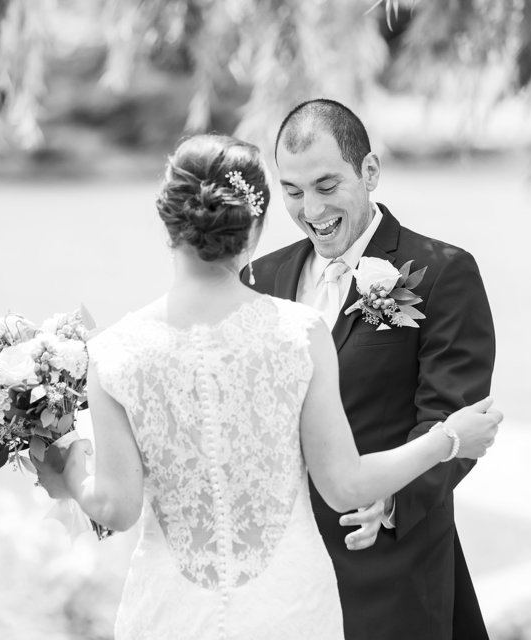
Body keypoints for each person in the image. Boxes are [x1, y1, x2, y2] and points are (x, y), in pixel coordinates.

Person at [34, 133, 502, 640]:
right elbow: (343, 483)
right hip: (288, 605)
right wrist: (449, 438)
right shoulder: (298, 331)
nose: (311, 207)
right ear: (255, 226)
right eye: (294, 191)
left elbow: (115, 508)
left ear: (167, 222)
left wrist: (71, 470)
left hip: (172, 612)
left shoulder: (115, 352)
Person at [245, 98, 496, 640]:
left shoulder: (442, 274)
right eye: (292, 192)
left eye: (327, 186)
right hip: (284, 577)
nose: (311, 209)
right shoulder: (257, 281)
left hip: (390, 568)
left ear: (370, 172)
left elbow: (450, 417)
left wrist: (389, 500)